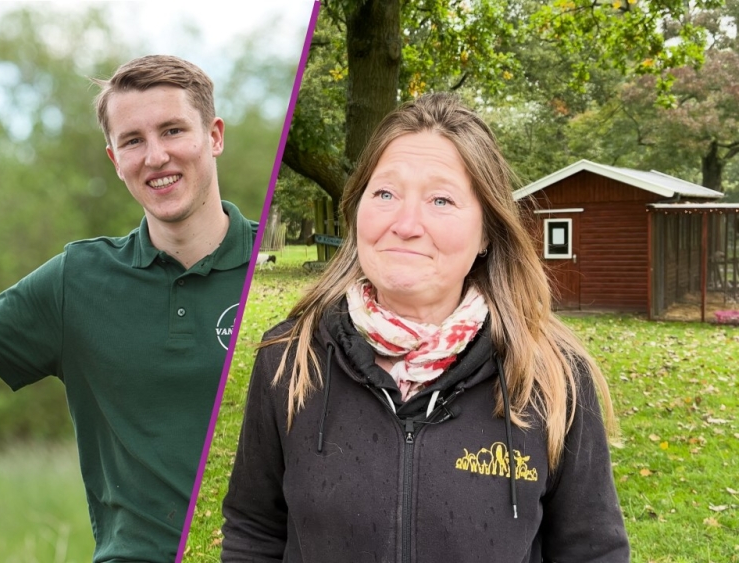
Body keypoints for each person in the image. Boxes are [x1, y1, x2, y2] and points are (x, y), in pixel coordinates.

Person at [0, 55, 257, 562]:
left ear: (215, 136)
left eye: (173, 130)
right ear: (115, 160)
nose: (156, 156)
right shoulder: (79, 280)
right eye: (133, 140)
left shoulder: (284, 271)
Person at [220, 93, 629, 562]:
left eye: (441, 200)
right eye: (386, 194)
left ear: (486, 233)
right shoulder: (288, 357)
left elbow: (593, 551)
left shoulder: (553, 376)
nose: (406, 224)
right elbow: (253, 534)